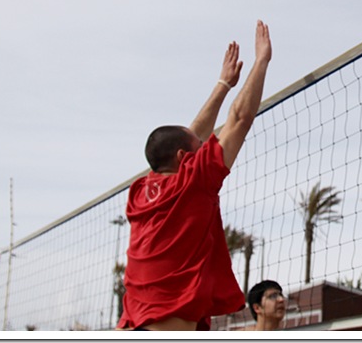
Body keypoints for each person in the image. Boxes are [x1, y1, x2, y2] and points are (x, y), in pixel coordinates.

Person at [116, 20, 272, 331]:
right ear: (183, 159)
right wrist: (261, 61)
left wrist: (223, 84)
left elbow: (186, 137)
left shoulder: (140, 191)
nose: (205, 147)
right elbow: (240, 118)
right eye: (199, 148)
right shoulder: (192, 182)